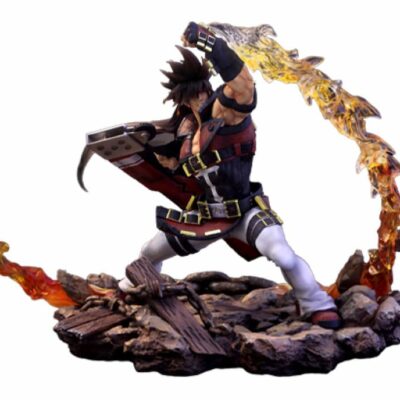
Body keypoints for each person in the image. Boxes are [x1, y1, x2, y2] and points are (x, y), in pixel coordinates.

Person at [118, 22, 341, 329]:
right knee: (149, 252)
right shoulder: (187, 137)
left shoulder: (228, 116)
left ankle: (316, 302)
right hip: (206, 216)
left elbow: (244, 85)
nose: (196, 104)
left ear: (205, 92)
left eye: (198, 96)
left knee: (283, 255)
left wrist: (210, 43)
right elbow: (170, 168)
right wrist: (139, 146)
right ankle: (134, 289)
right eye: (189, 101)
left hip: (245, 212)